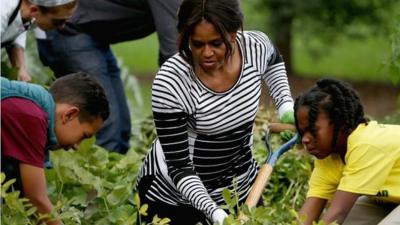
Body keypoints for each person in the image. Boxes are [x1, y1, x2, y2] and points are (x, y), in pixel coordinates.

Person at [136, 0, 295, 224]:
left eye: (216, 43)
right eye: (197, 44)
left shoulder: (254, 47)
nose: (207, 53)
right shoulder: (171, 81)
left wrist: (286, 106)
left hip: (240, 186)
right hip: (173, 198)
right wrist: (216, 215)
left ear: (232, 33)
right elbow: (179, 167)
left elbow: (273, 60)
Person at [35, 0, 182, 154]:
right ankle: (84, 175)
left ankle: (109, 173)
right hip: (66, 27)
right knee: (107, 129)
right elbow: (173, 53)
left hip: (94, 33)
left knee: (121, 129)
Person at [1, 72, 109, 225]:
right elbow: (36, 198)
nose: (77, 147)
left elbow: (25, 198)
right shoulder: (31, 115)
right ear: (69, 115)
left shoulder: (36, 111)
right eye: (84, 136)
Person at [295, 78, 400, 225]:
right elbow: (306, 217)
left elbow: (337, 214)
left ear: (340, 123)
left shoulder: (366, 145)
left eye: (313, 130)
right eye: (302, 132)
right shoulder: (328, 158)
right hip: (389, 200)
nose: (305, 139)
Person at [1, 0, 77, 82]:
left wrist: (21, 70)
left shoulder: (29, 13)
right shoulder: (3, 11)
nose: (62, 27)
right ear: (34, 10)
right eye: (58, 22)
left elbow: (16, 32)